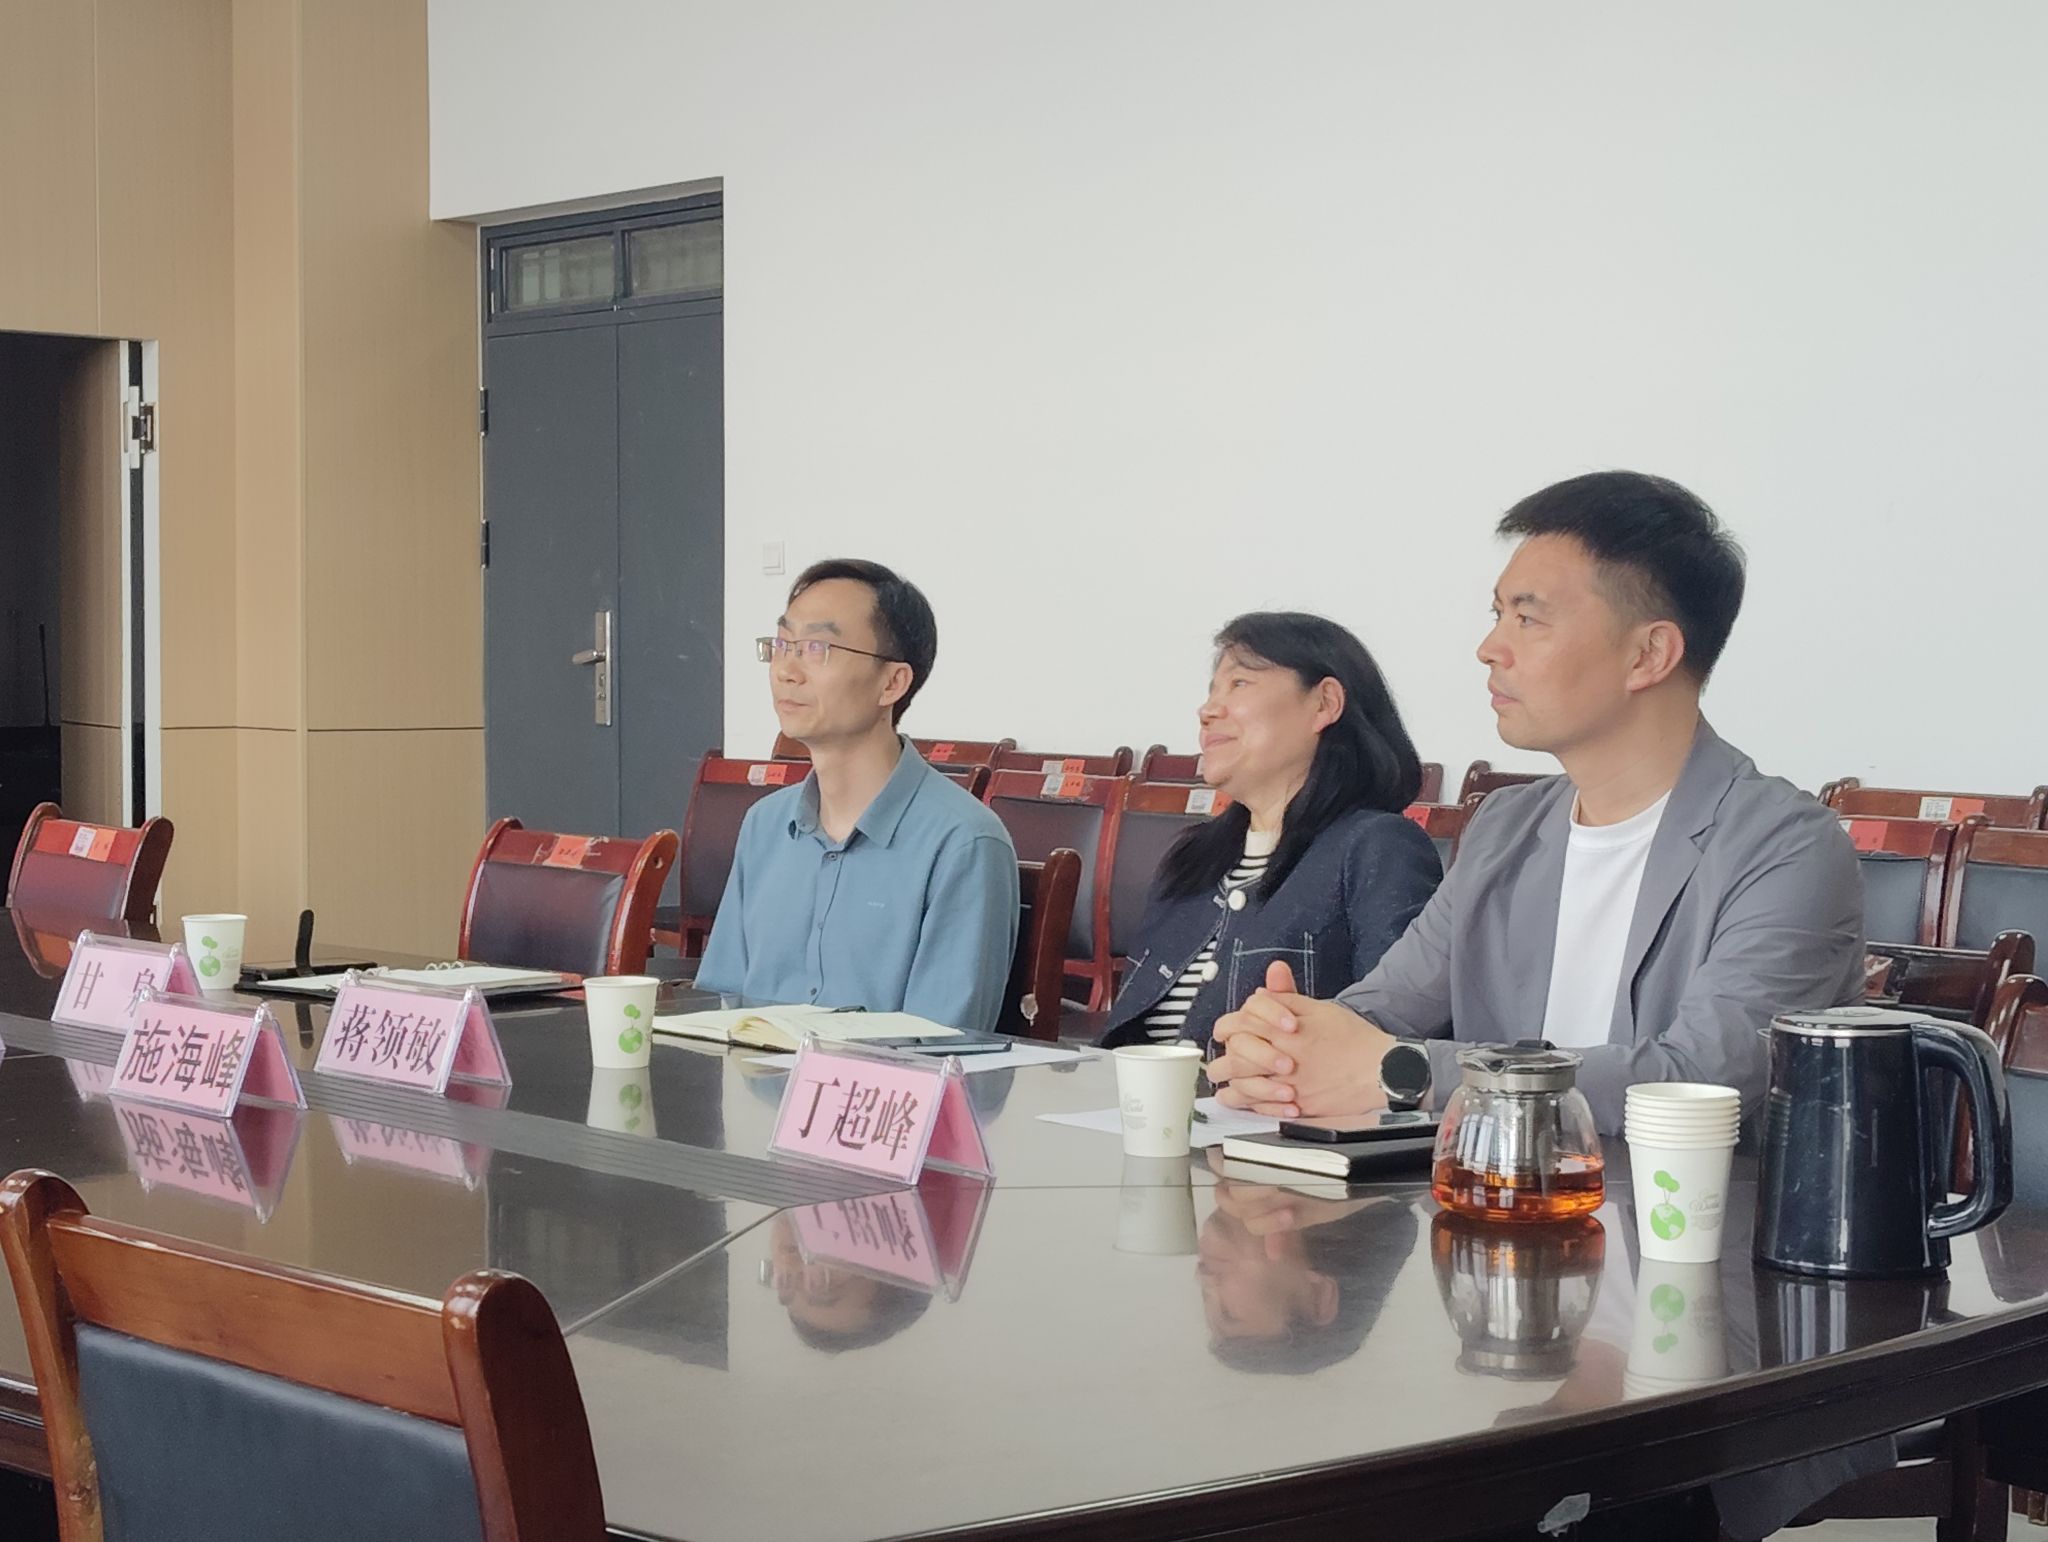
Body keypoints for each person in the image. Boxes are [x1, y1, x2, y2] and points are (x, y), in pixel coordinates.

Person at [1210, 472, 1863, 1134]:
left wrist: (1409, 1072)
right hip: (1489, 1194)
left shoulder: (1788, 848)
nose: (1490, 648)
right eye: (1497, 615)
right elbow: (1382, 1009)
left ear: (1649, 654)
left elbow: (1700, 1080)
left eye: (1527, 618)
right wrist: (1285, 1042)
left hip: (1675, 1201)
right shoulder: (1507, 826)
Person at [695, 559, 1019, 1032]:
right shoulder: (765, 825)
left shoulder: (963, 844)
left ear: (892, 682)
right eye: (782, 644)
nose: (787, 670)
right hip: (754, 1079)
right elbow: (720, 1008)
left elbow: (938, 1043)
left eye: (817, 648)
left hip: (878, 1083)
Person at [1099, 613, 1440, 1049]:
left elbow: (1395, 1040)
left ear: (1324, 704)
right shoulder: (1191, 861)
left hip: (1270, 1096)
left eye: (1239, 683)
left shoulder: (1379, 848)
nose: (1208, 710)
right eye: (1212, 690)